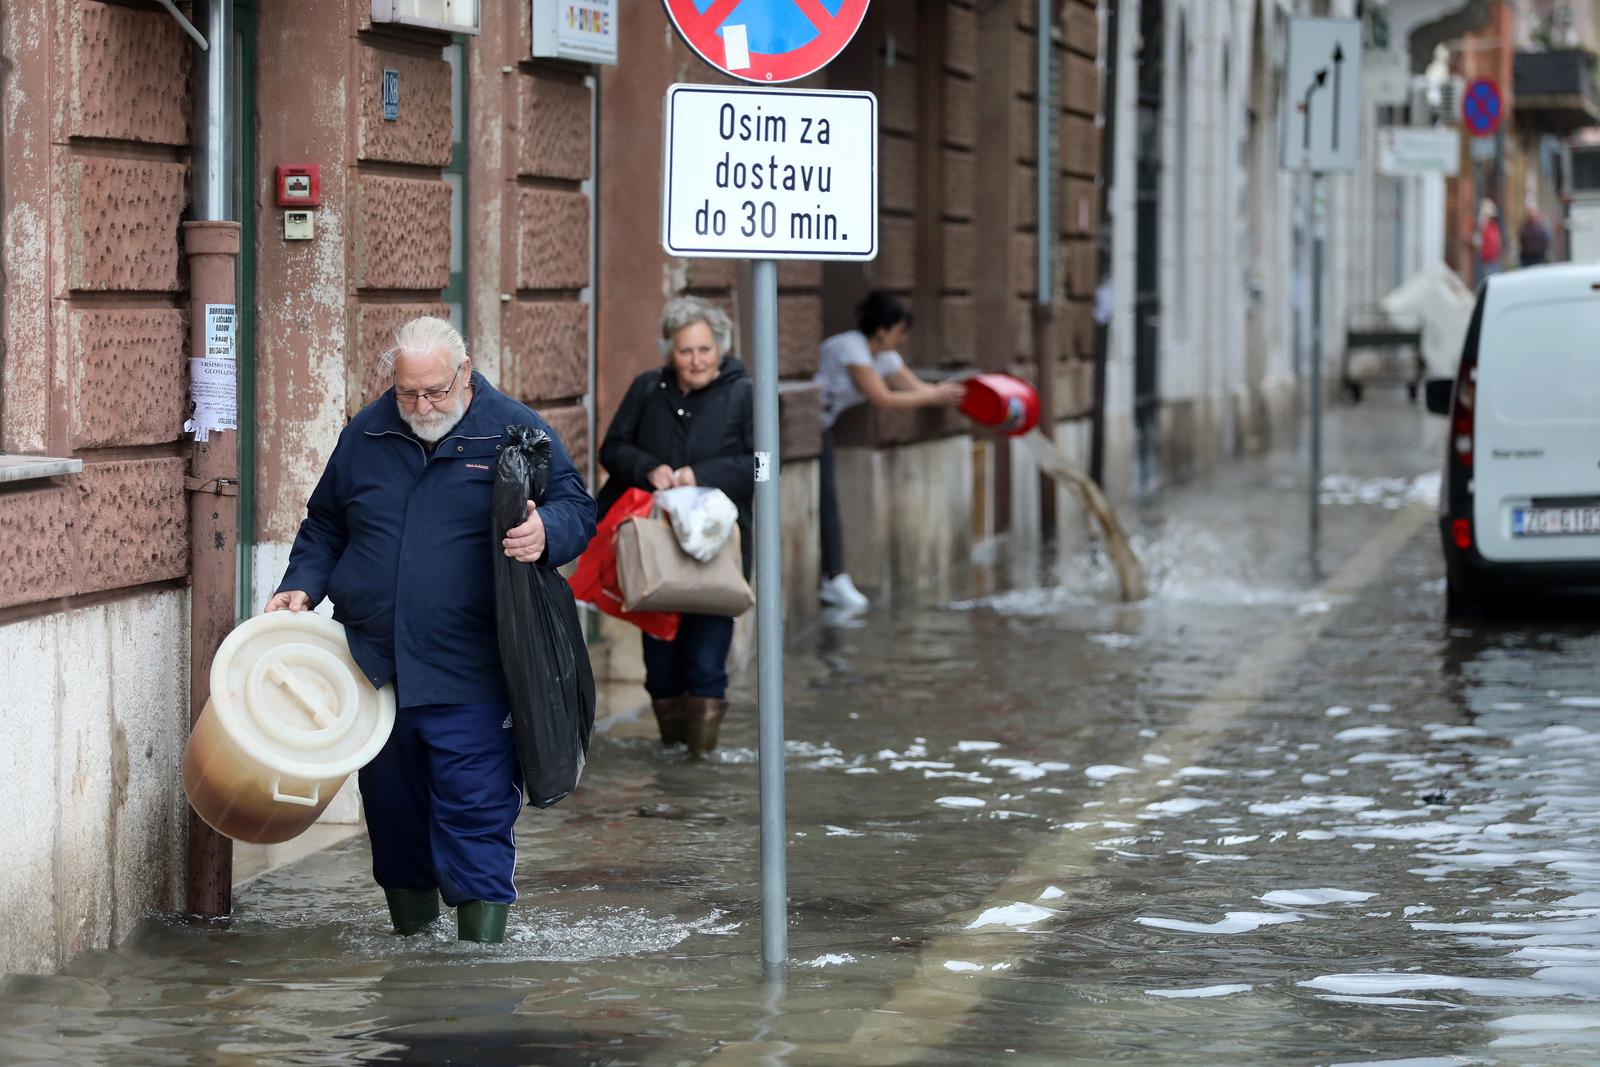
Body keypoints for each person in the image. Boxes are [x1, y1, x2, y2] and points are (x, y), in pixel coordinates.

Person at [266, 315, 597, 944]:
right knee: (394, 823)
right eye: (408, 393)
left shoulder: (514, 430)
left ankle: (477, 977)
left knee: (474, 819)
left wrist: (547, 532)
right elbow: (326, 524)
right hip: (376, 670)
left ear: (465, 375)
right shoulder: (368, 430)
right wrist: (302, 584)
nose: (421, 406)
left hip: (473, 672)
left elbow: (578, 506)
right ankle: (413, 968)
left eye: (435, 392)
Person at [597, 296, 754, 757]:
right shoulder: (649, 388)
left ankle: (699, 764)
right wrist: (650, 468)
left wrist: (700, 476)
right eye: (686, 351)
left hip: (716, 550)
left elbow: (762, 466)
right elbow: (613, 449)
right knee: (660, 667)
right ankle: (671, 752)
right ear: (670, 350)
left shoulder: (744, 394)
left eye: (704, 350)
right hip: (656, 548)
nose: (696, 360)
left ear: (720, 349)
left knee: (706, 663)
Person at [813, 290, 964, 611]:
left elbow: (917, 388)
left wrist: (944, 394)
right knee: (825, 501)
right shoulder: (850, 348)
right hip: (803, 425)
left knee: (828, 501)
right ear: (882, 329)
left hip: (821, 427)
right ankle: (833, 577)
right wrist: (933, 396)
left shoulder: (886, 358)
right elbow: (883, 397)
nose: (902, 338)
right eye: (900, 330)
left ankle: (833, 577)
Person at [1473, 199, 1502, 285]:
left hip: (1493, 261)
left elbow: (1496, 244)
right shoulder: (1485, 229)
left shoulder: (1493, 228)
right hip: (1486, 261)